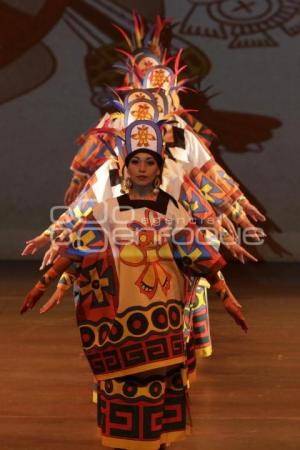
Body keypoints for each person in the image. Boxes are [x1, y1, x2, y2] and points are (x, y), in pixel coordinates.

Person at [21, 119, 247, 450]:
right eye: (136, 161)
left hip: (164, 311)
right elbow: (76, 250)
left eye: (150, 161)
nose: (142, 169)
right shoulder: (109, 209)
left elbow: (199, 253)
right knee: (121, 379)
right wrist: (43, 284)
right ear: (126, 166)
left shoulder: (173, 209)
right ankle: (123, 438)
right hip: (121, 312)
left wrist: (227, 298)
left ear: (159, 168)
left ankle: (158, 441)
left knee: (161, 382)